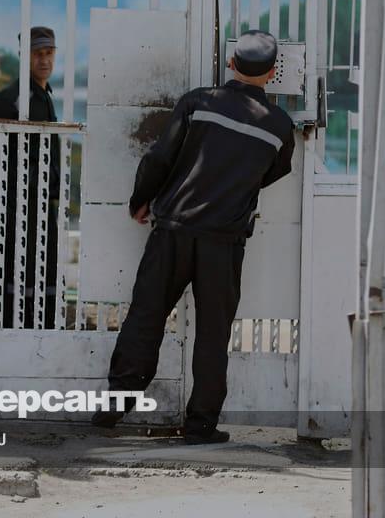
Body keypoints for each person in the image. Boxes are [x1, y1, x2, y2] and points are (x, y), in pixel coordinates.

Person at [91, 30, 296, 445]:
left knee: (147, 315)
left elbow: (159, 158)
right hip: (224, 241)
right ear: (273, 72)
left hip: (174, 230)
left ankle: (116, 403)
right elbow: (273, 171)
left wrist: (141, 199)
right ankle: (201, 425)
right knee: (213, 333)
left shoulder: (199, 102)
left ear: (231, 64)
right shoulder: (279, 126)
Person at [0, 26, 62, 329]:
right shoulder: (13, 100)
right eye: (37, 54)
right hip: (21, 200)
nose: (44, 60)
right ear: (24, 56)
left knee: (42, 266)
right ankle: (17, 328)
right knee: (22, 267)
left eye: (48, 53)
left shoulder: (43, 95)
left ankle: (39, 327)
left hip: (41, 197)